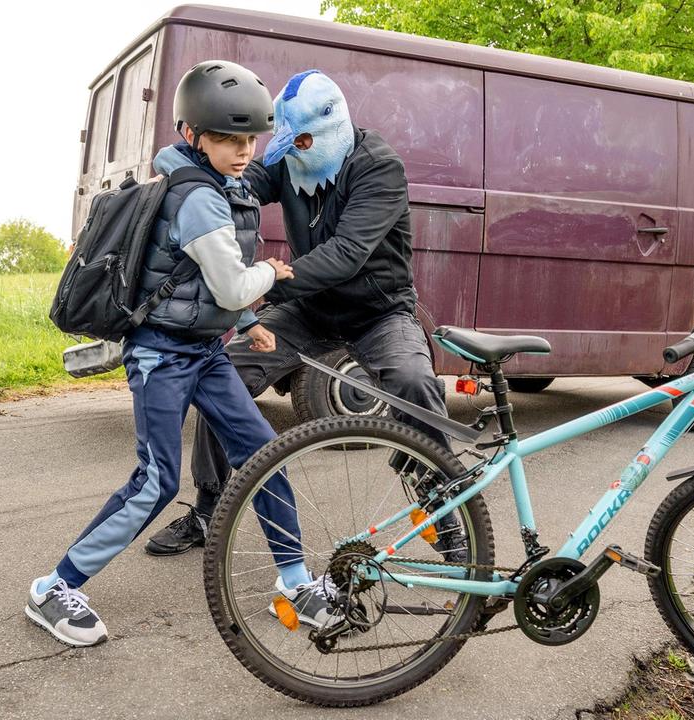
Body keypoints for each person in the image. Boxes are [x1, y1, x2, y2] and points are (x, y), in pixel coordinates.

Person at [26, 61, 339, 648]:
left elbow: (195, 275)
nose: (244, 151)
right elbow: (228, 282)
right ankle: (54, 588)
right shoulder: (198, 197)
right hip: (161, 357)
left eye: (250, 139)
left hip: (203, 350)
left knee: (266, 455)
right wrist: (268, 276)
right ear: (194, 135)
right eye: (228, 138)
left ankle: (295, 582)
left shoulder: (222, 185)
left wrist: (247, 322)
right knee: (157, 480)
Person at [146, 69, 464, 560]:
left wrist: (267, 279)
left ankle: (444, 511)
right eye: (287, 142)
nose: (294, 150)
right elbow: (242, 179)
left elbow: (347, 253)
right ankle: (208, 506)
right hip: (308, 309)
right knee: (223, 373)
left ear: (333, 127)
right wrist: (191, 187)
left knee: (413, 380)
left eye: (303, 141)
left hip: (378, 312)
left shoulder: (377, 167)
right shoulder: (292, 158)